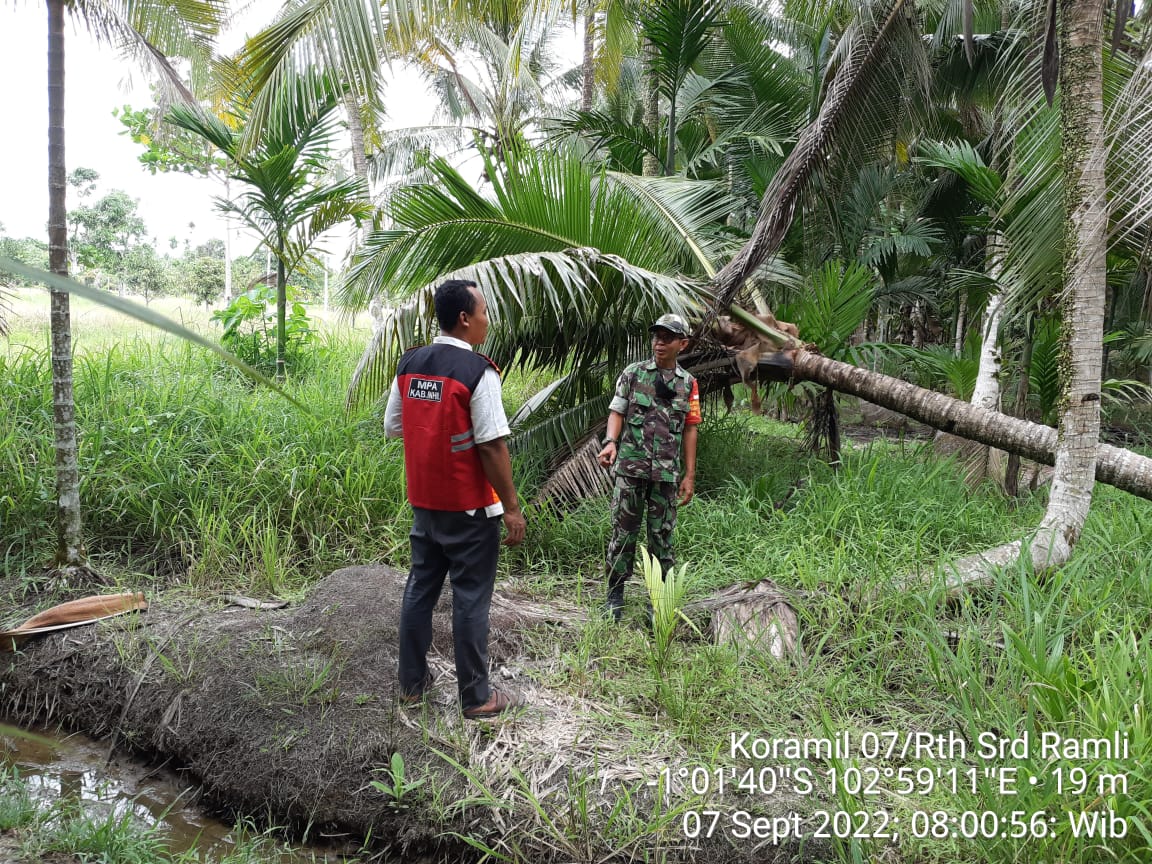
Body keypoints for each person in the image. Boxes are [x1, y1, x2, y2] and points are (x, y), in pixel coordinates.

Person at [384, 279, 527, 719]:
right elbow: (491, 445)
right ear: (464, 318)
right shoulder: (477, 372)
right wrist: (512, 507)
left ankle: (411, 685)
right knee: (470, 597)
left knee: (420, 588)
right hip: (469, 508)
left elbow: (393, 425)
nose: (487, 319)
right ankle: (477, 697)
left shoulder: (410, 364)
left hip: (425, 504)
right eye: (484, 310)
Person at [597, 313, 701, 622]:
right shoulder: (634, 373)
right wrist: (611, 441)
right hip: (631, 469)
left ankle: (658, 602)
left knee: (662, 537)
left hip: (666, 476)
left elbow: (691, 428)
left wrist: (690, 475)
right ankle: (615, 596)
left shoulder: (688, 384)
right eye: (656, 336)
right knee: (622, 534)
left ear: (682, 344)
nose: (659, 342)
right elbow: (618, 410)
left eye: (667, 337)